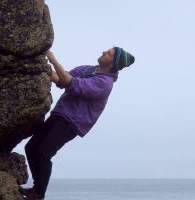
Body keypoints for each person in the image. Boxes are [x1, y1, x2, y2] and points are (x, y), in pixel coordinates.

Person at [20, 47, 135, 200]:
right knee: (31, 147)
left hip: (72, 122)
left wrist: (53, 60)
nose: (103, 51)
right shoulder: (88, 69)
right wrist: (43, 66)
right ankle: (36, 189)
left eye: (109, 53)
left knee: (44, 153)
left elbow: (72, 84)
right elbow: (61, 79)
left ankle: (38, 194)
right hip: (59, 114)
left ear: (113, 63)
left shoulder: (104, 83)